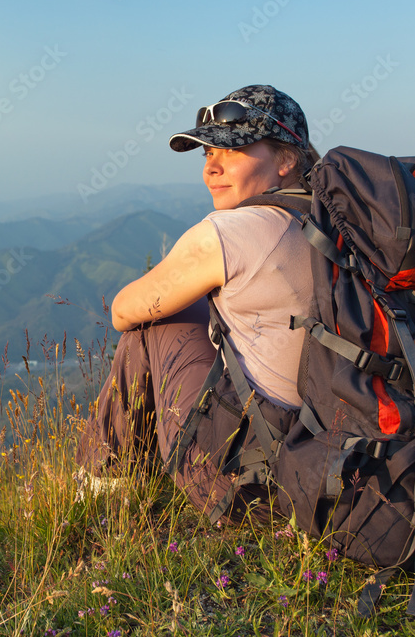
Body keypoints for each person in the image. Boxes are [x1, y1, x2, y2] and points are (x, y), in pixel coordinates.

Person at [75, 84, 319, 522]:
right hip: (329, 468)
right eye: (208, 154)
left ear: (286, 160)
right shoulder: (332, 220)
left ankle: (101, 492)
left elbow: (122, 310)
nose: (212, 169)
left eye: (233, 151)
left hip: (248, 491)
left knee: (149, 326)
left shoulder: (235, 231)